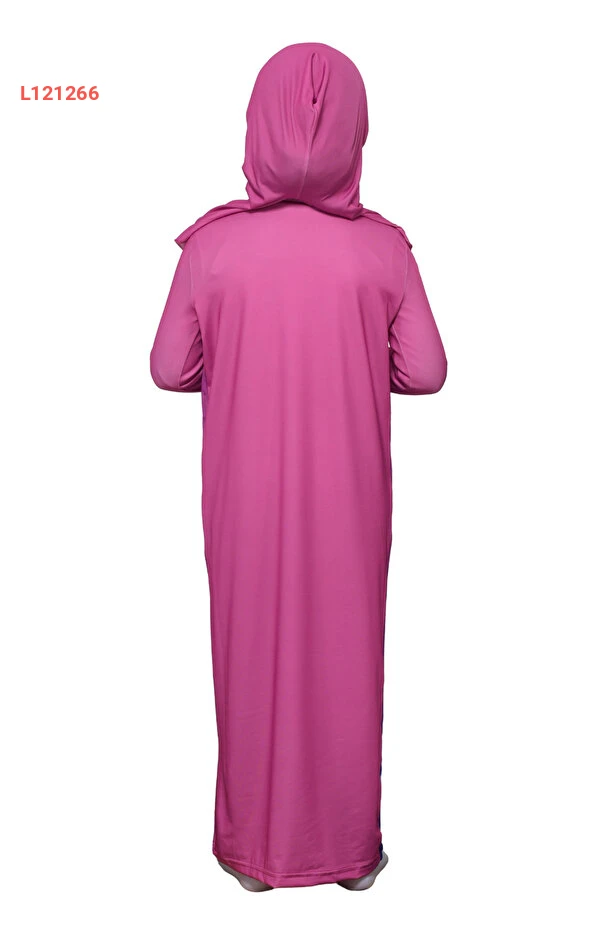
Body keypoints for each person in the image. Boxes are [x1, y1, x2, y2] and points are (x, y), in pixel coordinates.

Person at [150, 41, 448, 892]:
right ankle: (349, 853)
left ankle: (250, 853)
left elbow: (169, 368)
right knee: (346, 655)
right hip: (349, 502)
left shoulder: (212, 247)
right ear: (356, 130)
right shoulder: (383, 250)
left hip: (242, 499)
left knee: (248, 652)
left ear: (256, 123)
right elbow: (425, 371)